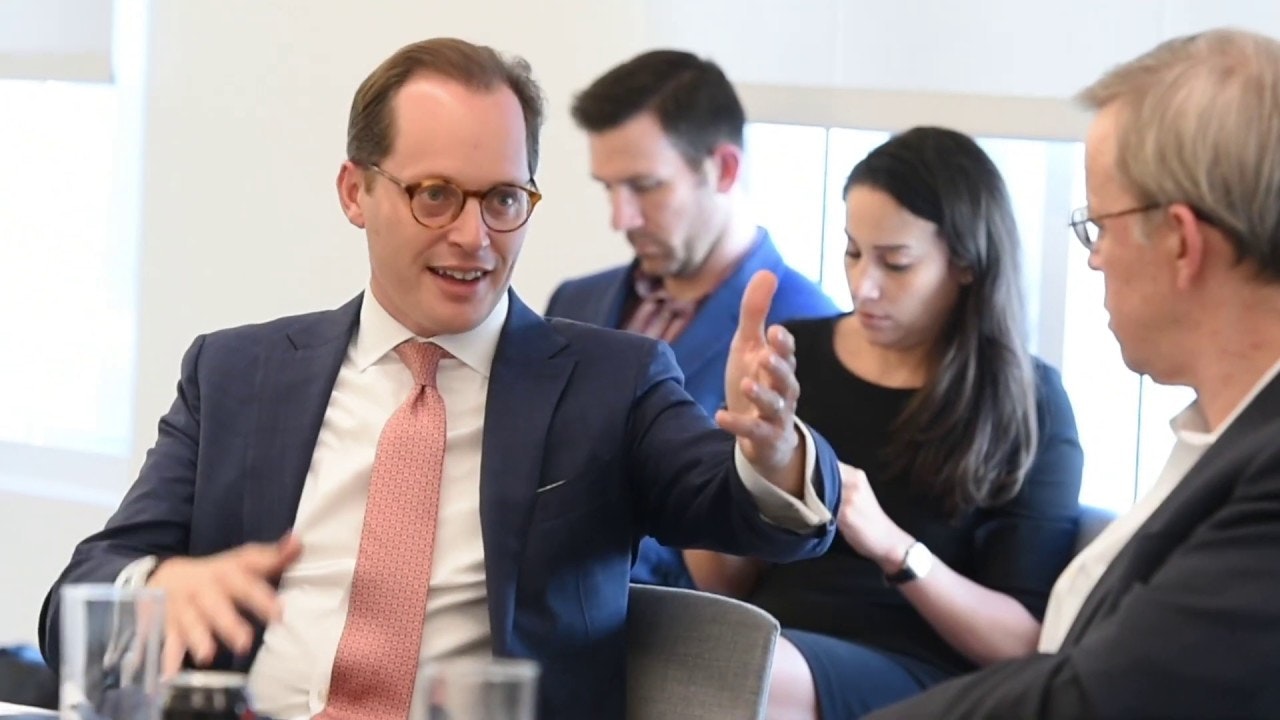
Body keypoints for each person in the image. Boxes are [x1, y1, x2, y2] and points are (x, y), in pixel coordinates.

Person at [36, 38, 844, 720]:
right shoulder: (235, 374)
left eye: (502, 199)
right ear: (357, 192)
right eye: (434, 196)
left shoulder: (611, 381)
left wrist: (774, 453)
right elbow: (81, 596)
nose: (473, 237)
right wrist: (160, 586)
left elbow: (748, 513)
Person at [866, 28, 1280, 720]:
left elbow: (1103, 699)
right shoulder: (1227, 436)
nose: (1094, 260)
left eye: (1100, 228)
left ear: (1181, 241)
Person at [690, 127, 1085, 719]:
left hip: (925, 672)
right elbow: (722, 583)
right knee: (652, 644)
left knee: (746, 671)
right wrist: (744, 463)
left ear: (966, 265)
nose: (862, 285)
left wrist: (893, 546)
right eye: (852, 252)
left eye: (895, 263)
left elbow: (1022, 644)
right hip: (774, 646)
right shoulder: (800, 360)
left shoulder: (1029, 403)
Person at [546, 49, 837, 589]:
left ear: (723, 169)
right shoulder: (575, 303)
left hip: (670, 635)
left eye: (645, 186)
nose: (620, 218)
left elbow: (780, 565)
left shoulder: (808, 331)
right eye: (608, 188)